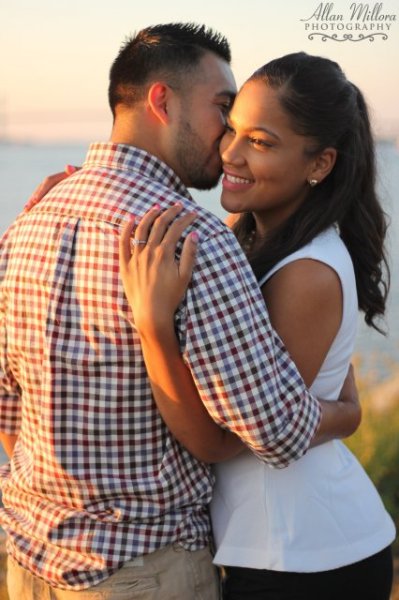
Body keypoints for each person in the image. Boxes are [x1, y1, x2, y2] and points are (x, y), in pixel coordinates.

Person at [0, 23, 359, 598]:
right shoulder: (191, 240)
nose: (226, 139)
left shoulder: (29, 221)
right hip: (145, 569)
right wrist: (346, 409)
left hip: (29, 558)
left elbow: (7, 403)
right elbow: (275, 430)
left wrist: (69, 499)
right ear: (161, 101)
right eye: (223, 108)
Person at [118, 52, 395, 599]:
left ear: (319, 164)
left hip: (307, 558)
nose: (230, 154)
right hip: (270, 547)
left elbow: (219, 441)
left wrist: (154, 327)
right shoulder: (244, 234)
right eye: (232, 129)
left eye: (261, 142)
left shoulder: (308, 273)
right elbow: (338, 388)